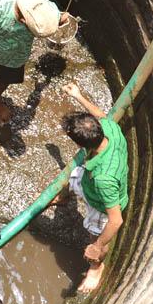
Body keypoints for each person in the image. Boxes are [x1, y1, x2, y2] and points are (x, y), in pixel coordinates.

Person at [50, 82, 129, 292]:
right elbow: (101, 116)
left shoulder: (104, 179)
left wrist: (96, 247)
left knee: (96, 233)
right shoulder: (110, 129)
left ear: (79, 147)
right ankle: (65, 196)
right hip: (88, 179)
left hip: (100, 204)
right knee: (75, 175)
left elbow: (116, 220)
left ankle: (96, 267)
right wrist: (78, 96)